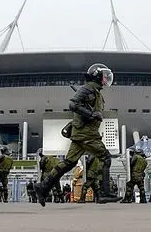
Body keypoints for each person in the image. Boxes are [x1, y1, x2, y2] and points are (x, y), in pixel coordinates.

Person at [34, 63, 122, 206]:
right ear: (98, 76)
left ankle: (43, 187)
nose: (106, 79)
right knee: (106, 158)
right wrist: (91, 114)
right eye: (104, 76)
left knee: (69, 163)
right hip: (86, 134)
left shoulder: (95, 90)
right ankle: (106, 194)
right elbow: (73, 104)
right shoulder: (88, 88)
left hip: (81, 133)